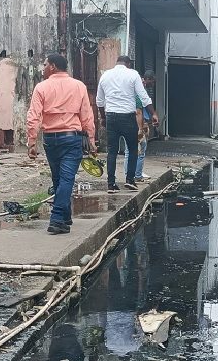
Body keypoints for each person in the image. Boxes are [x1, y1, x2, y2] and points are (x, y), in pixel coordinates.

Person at [27, 53, 96, 235]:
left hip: (50, 139)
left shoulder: (41, 87)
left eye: (44, 65)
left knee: (58, 179)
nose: (42, 68)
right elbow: (87, 116)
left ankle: (64, 217)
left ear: (53, 67)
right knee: (66, 179)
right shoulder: (78, 86)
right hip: (72, 138)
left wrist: (32, 142)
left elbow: (33, 116)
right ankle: (57, 218)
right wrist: (91, 140)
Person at [95, 56, 159, 194]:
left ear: (116, 62)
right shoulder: (133, 74)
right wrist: (153, 113)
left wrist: (104, 118)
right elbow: (143, 97)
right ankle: (130, 180)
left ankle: (111, 184)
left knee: (112, 151)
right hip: (128, 117)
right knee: (133, 149)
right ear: (128, 64)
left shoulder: (105, 75)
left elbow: (99, 101)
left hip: (111, 116)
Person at [124, 70, 156, 182]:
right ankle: (137, 175)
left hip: (130, 122)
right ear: (148, 79)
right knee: (141, 150)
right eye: (152, 81)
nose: (153, 84)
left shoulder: (132, 89)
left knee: (129, 150)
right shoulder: (140, 89)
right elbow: (139, 110)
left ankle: (129, 174)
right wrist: (140, 128)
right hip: (139, 123)